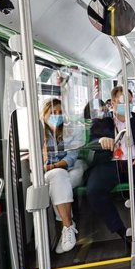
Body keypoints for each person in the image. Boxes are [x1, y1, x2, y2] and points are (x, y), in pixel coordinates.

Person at [86, 86, 135, 249]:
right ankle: (120, 231)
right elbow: (90, 143)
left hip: (134, 162)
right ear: (113, 102)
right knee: (94, 190)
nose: (128, 106)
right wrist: (100, 141)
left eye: (130, 102)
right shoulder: (102, 121)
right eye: (123, 102)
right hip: (110, 163)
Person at [41, 98, 86, 254]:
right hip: (48, 173)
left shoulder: (71, 130)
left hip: (69, 169)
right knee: (58, 177)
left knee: (59, 179)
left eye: (60, 113)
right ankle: (68, 226)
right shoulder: (37, 132)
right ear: (45, 114)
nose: (57, 115)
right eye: (53, 113)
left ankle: (66, 228)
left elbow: (71, 157)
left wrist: (51, 166)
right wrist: (47, 167)